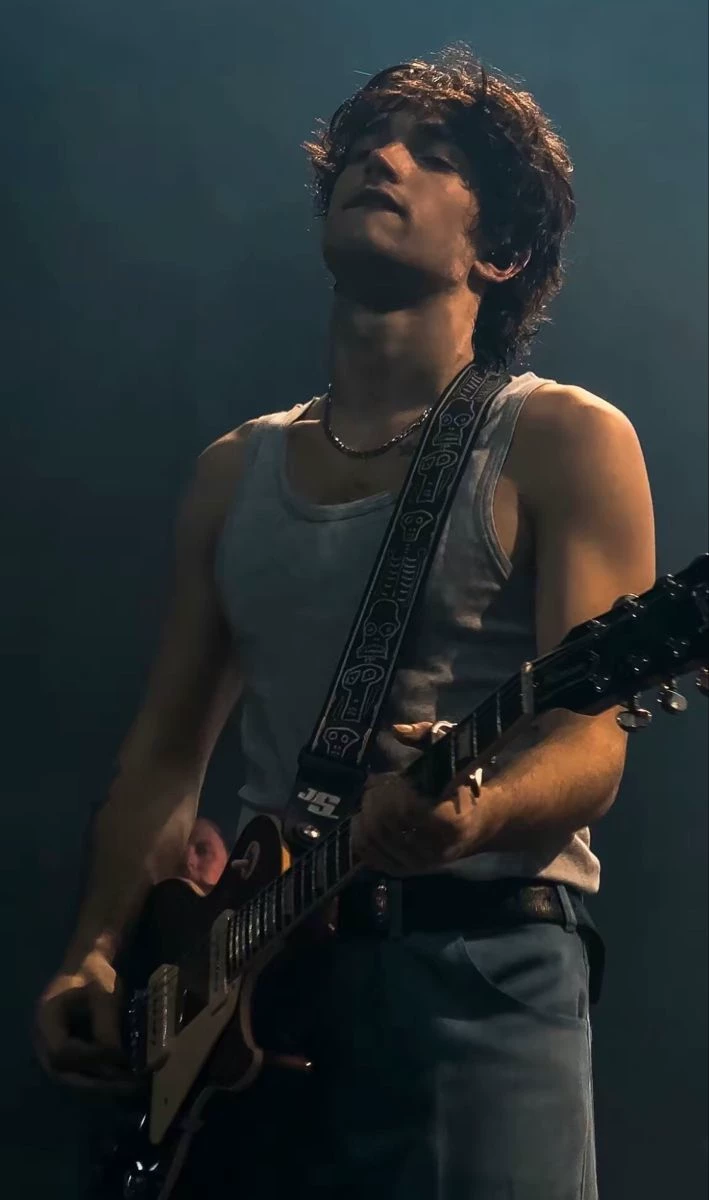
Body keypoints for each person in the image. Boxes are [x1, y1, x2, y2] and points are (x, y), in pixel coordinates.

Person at [35, 49, 656, 1199]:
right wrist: (98, 949)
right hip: (255, 987)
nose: (384, 157)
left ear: (500, 252)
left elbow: (590, 743)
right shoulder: (233, 470)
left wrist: (473, 814)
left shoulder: (565, 439)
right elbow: (166, 756)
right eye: (368, 142)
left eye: (434, 152)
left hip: (477, 974)